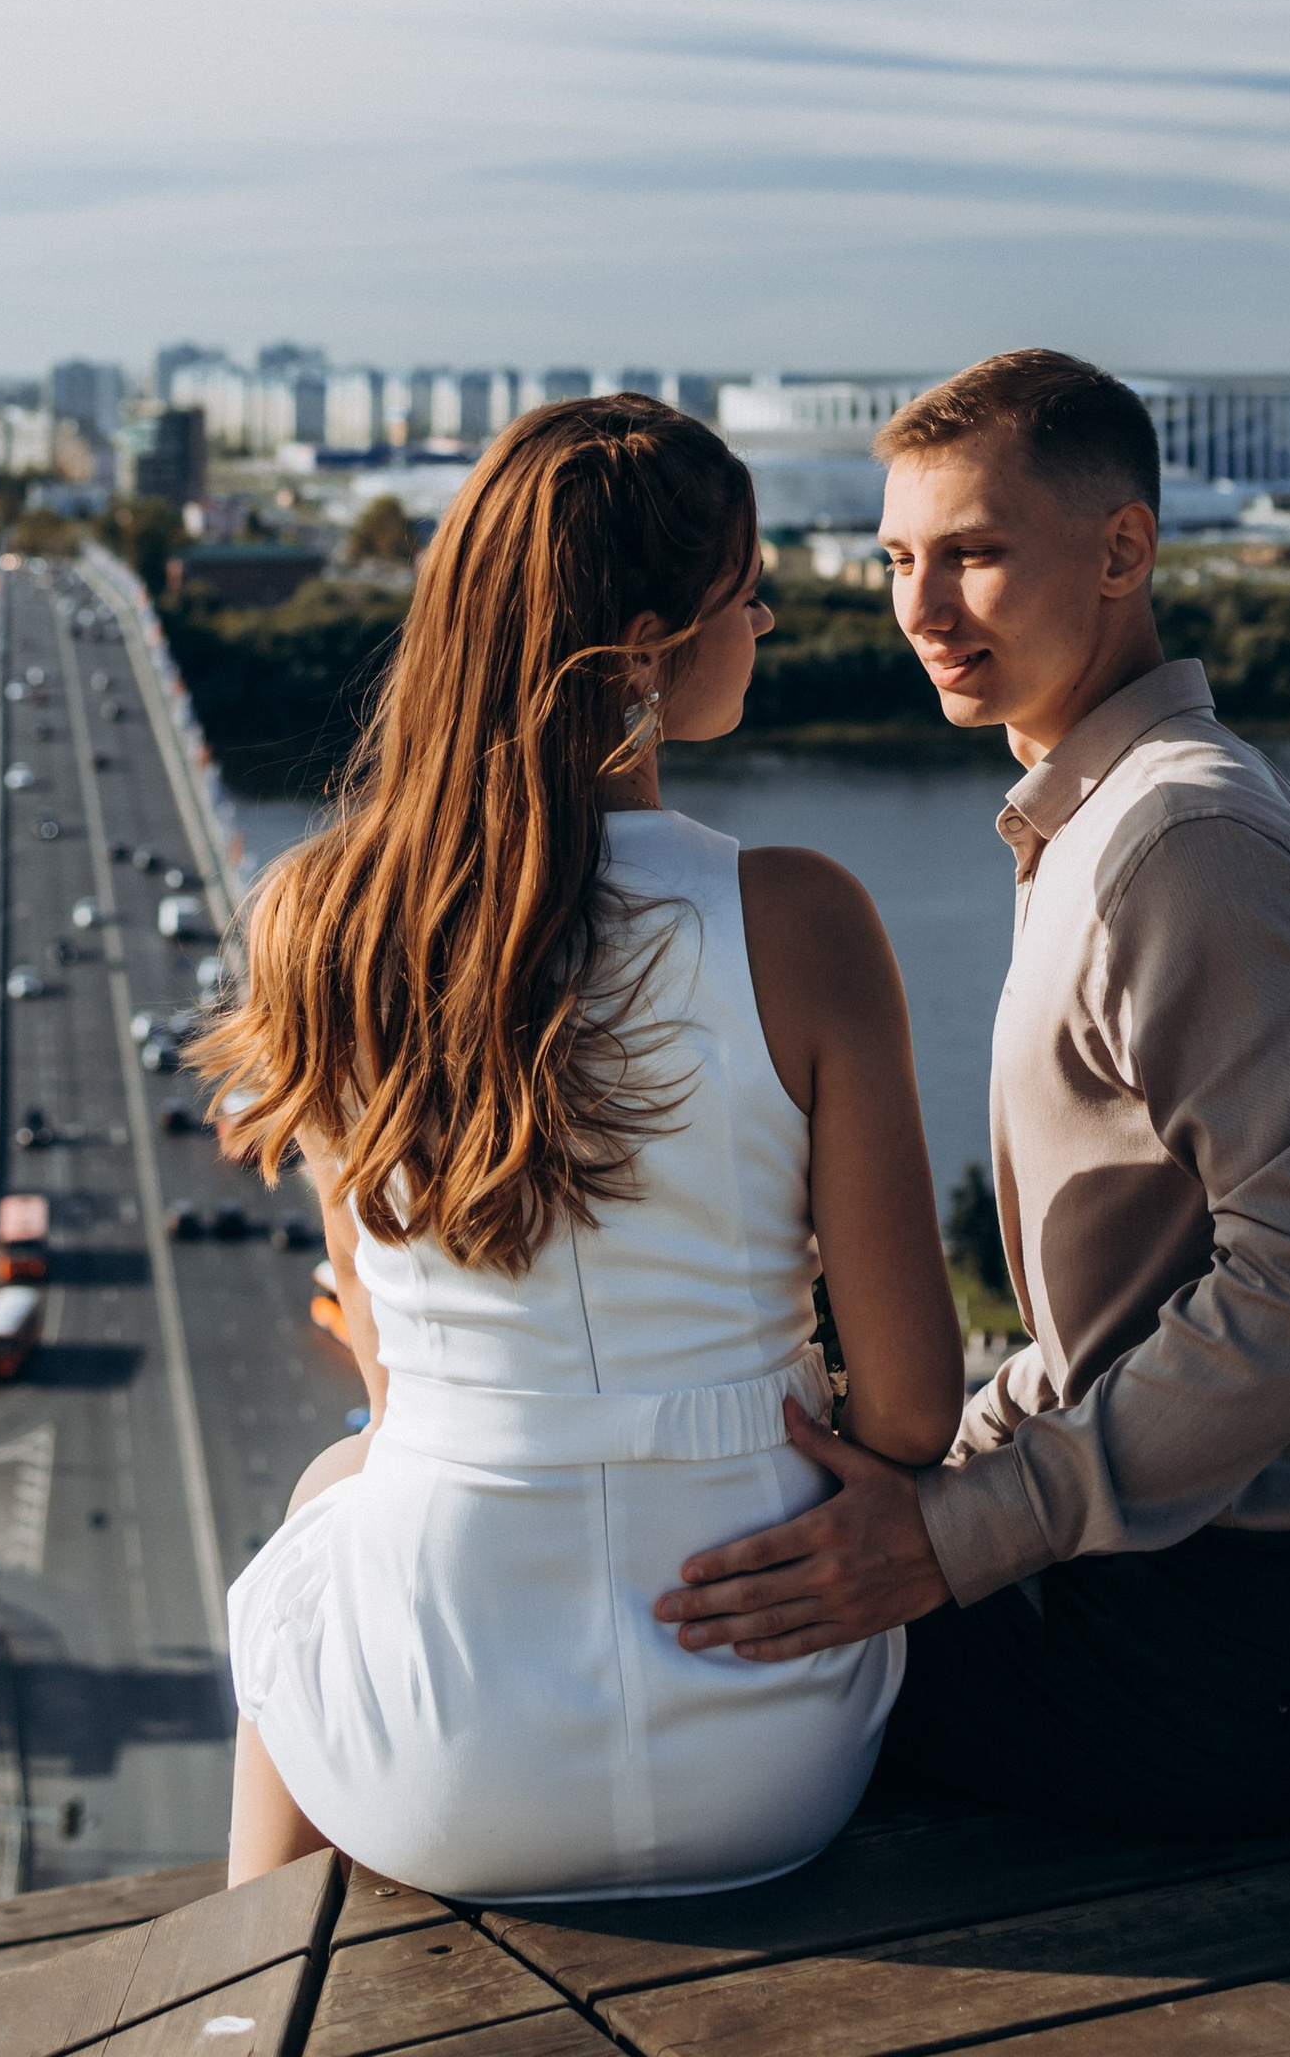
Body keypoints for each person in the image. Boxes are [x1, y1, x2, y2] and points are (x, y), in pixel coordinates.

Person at [656, 349, 1290, 1843]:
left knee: (675, 1689)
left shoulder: (1179, 843)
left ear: (1123, 550)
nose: (919, 612)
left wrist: (950, 1540)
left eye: (973, 557)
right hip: (1247, 1606)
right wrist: (951, 1476)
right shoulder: (1110, 818)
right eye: (898, 559)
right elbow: (1120, 1313)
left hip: (1253, 1649)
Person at [208, 394, 961, 1901]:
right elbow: (919, 1409)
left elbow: (393, 1380)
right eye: (744, 593)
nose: (764, 620)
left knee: (320, 1507)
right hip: (770, 1734)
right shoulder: (804, 919)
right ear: (639, 648)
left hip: (442, 1770)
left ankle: (244, 1980)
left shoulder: (326, 919)